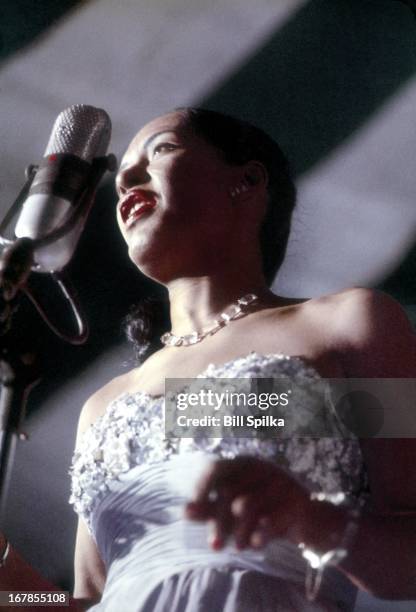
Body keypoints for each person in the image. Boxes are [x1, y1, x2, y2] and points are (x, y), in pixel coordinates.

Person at [1, 108, 416, 611]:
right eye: (123, 172)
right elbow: (92, 602)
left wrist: (312, 519)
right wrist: (11, 578)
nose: (126, 177)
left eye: (161, 150)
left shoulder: (347, 323)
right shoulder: (103, 407)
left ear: (247, 180)